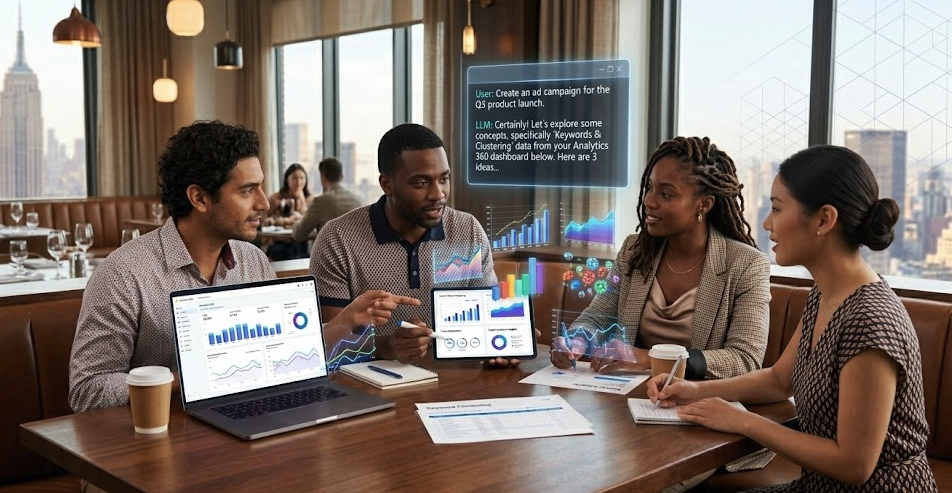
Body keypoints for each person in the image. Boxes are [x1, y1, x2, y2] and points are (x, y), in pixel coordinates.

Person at [69, 121, 417, 416]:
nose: (264, 203)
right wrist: (193, 378)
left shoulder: (252, 261)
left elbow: (284, 356)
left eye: (261, 187)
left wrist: (342, 324)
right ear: (200, 198)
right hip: (158, 445)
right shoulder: (123, 274)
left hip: (246, 427)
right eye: (248, 190)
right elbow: (87, 391)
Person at [649, 145, 938, 492]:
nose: (767, 223)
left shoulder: (870, 321)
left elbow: (854, 464)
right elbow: (778, 380)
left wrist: (744, 422)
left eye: (776, 208)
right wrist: (693, 391)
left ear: (824, 220)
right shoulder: (826, 292)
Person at [552, 136, 770, 381]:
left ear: (704, 204)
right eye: (649, 188)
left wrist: (648, 358)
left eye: (666, 194)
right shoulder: (634, 250)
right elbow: (597, 316)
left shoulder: (747, 265)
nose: (648, 201)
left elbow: (745, 359)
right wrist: (577, 340)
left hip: (701, 400)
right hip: (632, 396)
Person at [312, 123, 524, 366]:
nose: (438, 194)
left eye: (444, 179)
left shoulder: (468, 230)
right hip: (371, 388)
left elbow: (487, 319)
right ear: (387, 184)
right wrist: (388, 345)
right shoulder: (337, 238)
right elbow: (329, 344)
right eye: (421, 183)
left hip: (454, 383)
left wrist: (508, 339)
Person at [291, 157, 364, 242]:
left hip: (329, 254)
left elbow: (298, 235)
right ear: (342, 177)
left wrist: (297, 221)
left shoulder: (320, 201)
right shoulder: (360, 199)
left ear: (323, 178)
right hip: (357, 254)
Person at [264, 163, 312, 260]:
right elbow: (264, 221)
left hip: (301, 242)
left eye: (302, 178)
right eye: (294, 178)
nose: (299, 182)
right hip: (279, 242)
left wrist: (301, 199)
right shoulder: (275, 198)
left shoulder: (310, 199)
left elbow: (307, 221)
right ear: (287, 179)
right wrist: (286, 220)